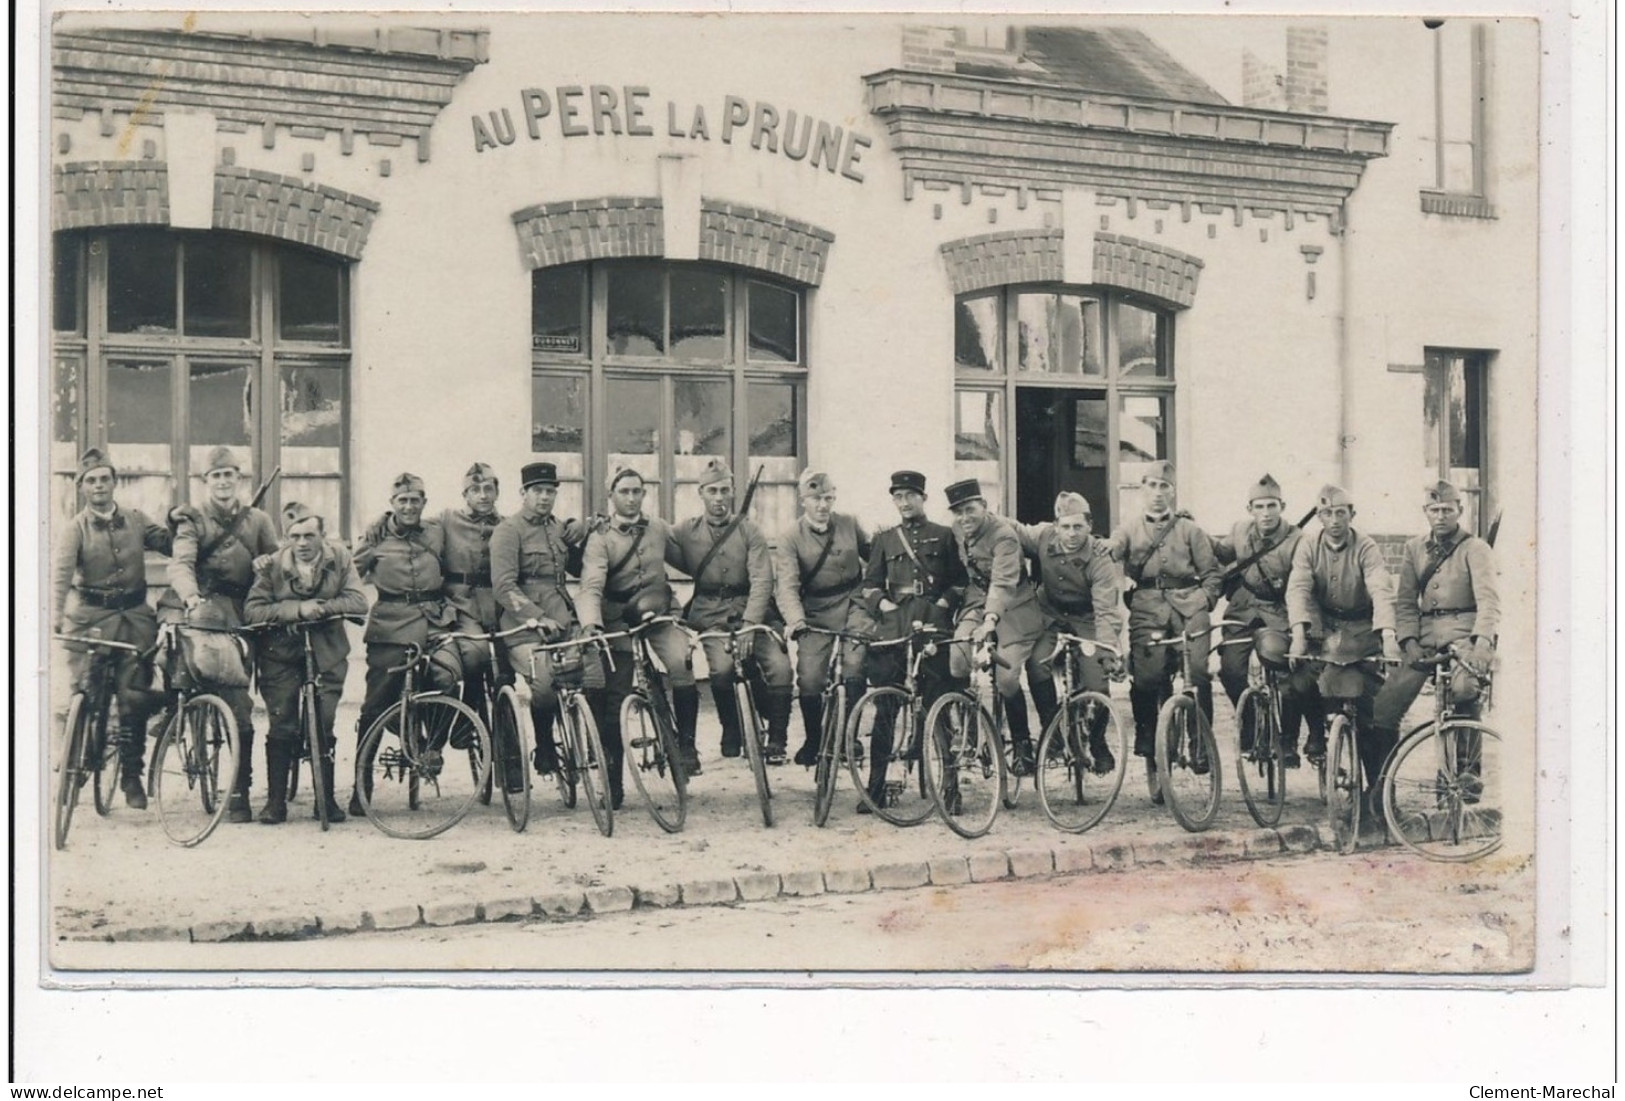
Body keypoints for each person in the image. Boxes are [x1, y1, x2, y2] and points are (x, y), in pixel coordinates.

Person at [157, 446, 280, 823]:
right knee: (167, 648)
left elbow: (278, 562)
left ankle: (240, 791)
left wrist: (266, 564)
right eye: (216, 476)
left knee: (240, 705)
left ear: (239, 480)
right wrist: (190, 594)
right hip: (196, 604)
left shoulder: (258, 520)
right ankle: (169, 711)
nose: (223, 482)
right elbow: (181, 564)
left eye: (230, 475)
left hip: (240, 614)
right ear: (205, 482)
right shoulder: (192, 519)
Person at [51, 448, 173, 809]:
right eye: (91, 480)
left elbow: (168, 543)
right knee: (85, 693)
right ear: (82, 488)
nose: (99, 485)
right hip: (90, 621)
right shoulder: (75, 529)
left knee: (133, 699)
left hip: (135, 621)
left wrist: (181, 520)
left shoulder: (136, 519)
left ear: (115, 483)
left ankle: (131, 774)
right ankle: (76, 761)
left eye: (105, 478)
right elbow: (59, 576)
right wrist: (55, 614)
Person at [578, 465, 700, 802]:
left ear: (644, 494)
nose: (631, 498)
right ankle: (612, 781)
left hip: (657, 612)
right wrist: (592, 625)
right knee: (615, 695)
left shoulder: (658, 528)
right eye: (624, 492)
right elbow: (590, 586)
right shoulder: (601, 538)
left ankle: (687, 746)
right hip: (616, 617)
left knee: (681, 661)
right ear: (611, 496)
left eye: (637, 491)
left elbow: (692, 562)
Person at [243, 503, 368, 824]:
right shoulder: (272, 566)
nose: (302, 543)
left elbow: (358, 601)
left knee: (324, 722)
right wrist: (296, 609)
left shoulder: (339, 558)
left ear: (322, 536)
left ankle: (325, 799)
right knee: (281, 721)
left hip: (327, 650)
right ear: (286, 538)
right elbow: (253, 611)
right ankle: (275, 802)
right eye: (295, 536)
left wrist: (321, 608)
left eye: (309, 535)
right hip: (280, 652)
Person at [667, 458, 794, 765]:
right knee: (721, 669)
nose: (719, 497)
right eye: (712, 490)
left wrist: (751, 623)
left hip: (753, 609)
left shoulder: (750, 532)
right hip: (710, 613)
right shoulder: (686, 531)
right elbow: (657, 540)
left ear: (733, 493)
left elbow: (763, 579)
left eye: (725, 490)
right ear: (701, 493)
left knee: (780, 666)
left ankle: (778, 738)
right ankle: (731, 728)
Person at [1369, 481, 1500, 780]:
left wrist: (1481, 643)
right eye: (1434, 510)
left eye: (1447, 510)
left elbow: (1489, 600)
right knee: (1385, 705)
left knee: (1464, 689)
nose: (1440, 516)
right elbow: (1404, 600)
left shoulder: (1475, 548)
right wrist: (1409, 641)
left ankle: (1468, 772)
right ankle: (1381, 785)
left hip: (1463, 634)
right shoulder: (1414, 548)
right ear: (1425, 512)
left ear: (1459, 511)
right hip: (1425, 637)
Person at [348, 472, 460, 816]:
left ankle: (432, 749)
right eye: (402, 501)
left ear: (424, 503)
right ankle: (361, 785)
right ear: (392, 504)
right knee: (377, 704)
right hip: (391, 625)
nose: (409, 506)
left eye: (416, 500)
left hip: (435, 621)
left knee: (449, 676)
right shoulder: (375, 537)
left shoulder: (438, 531)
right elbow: (348, 573)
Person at [1286, 484, 1401, 807]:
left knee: (1370, 708)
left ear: (1352, 514)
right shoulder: (1308, 546)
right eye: (1326, 513)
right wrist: (1299, 632)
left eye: (1340, 512)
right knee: (1305, 681)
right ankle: (1322, 740)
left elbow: (1380, 588)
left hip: (1363, 628)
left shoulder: (1366, 547)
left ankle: (1377, 789)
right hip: (1325, 627)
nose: (1334, 519)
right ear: (1319, 517)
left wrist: (1388, 635)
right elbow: (1298, 588)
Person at [857, 470, 965, 811]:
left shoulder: (945, 536)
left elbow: (959, 582)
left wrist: (943, 604)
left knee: (938, 701)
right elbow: (870, 584)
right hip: (895, 624)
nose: (904, 503)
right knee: (886, 704)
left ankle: (950, 790)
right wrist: (885, 605)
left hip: (932, 622)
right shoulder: (885, 540)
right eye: (898, 497)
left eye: (910, 496)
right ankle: (874, 790)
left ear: (923, 498)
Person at [1106, 462, 1223, 770]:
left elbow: (1212, 574)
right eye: (1152, 486)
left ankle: (1201, 744)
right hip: (1147, 607)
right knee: (1146, 674)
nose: (1158, 493)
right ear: (1142, 489)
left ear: (1173, 492)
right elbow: (1112, 549)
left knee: (1197, 671)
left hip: (1190, 606)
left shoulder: (1190, 531)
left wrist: (1204, 599)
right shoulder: (1128, 528)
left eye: (1164, 487)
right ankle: (1147, 732)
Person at [490, 461, 595, 789]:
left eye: (550, 491)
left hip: (563, 618)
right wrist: (535, 616)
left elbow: (576, 568)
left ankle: (592, 744)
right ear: (524, 493)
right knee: (545, 681)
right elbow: (504, 586)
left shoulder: (558, 528)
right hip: (522, 627)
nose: (545, 497)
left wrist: (588, 532)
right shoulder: (508, 531)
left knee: (594, 671)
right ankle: (545, 746)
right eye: (538, 491)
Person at [1214, 474, 1324, 766]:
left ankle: (1288, 739)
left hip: (1281, 609)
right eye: (1259, 506)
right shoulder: (1239, 530)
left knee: (1288, 672)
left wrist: (1304, 626)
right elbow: (1219, 554)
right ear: (1249, 509)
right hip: (1244, 608)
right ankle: (1251, 726)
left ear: (1282, 506)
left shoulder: (1299, 540)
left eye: (1271, 506)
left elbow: (1302, 583)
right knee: (1230, 670)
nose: (1266, 513)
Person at [1016, 491, 1125, 775]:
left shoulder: (1100, 557)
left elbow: (1105, 609)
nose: (1072, 533)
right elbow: (1012, 529)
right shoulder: (1043, 537)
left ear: (1089, 525)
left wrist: (1107, 649)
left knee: (1097, 682)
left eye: (1078, 526)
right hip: (1050, 616)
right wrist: (981, 512)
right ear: (1056, 526)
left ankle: (1098, 741)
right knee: (1036, 663)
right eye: (1065, 526)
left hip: (1087, 619)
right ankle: (1051, 732)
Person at [943, 477, 1045, 775]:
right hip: (977, 600)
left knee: (1007, 678)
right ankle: (972, 732)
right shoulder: (957, 530)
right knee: (958, 658)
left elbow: (1002, 583)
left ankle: (1023, 743)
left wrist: (990, 621)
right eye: (958, 512)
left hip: (1014, 607)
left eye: (970, 509)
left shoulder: (1003, 535)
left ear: (984, 507)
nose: (964, 517)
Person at [775, 470, 875, 768]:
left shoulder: (849, 523)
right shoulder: (790, 537)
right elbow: (788, 586)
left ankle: (850, 737)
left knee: (855, 665)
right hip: (815, 612)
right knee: (810, 678)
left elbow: (875, 557)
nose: (823, 505)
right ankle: (814, 739)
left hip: (854, 603)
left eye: (828, 498)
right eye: (816, 499)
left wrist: (878, 592)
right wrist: (796, 621)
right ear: (802, 500)